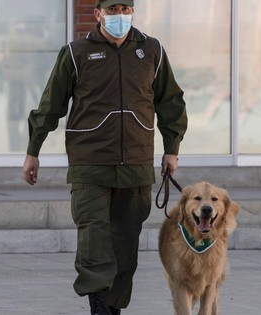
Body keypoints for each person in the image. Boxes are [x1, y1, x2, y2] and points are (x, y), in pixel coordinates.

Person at [22, 1, 187, 314]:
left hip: (137, 165)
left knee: (126, 245)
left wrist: (172, 148)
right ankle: (99, 307)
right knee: (94, 239)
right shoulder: (76, 53)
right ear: (98, 14)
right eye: (113, 10)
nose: (120, 16)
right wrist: (34, 150)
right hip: (90, 164)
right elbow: (50, 105)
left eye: (126, 9)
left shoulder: (152, 50)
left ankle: (112, 308)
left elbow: (171, 103)